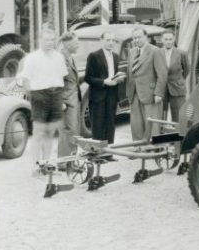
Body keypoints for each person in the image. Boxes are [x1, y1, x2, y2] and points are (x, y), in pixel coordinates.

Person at [16, 29, 69, 175]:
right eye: (47, 40)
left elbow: (62, 78)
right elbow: (25, 81)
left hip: (56, 94)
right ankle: (35, 166)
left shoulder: (59, 57)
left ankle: (45, 165)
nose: (50, 43)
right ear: (40, 40)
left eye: (52, 40)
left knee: (50, 132)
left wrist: (60, 98)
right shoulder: (32, 58)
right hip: (39, 95)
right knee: (39, 132)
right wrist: (34, 96)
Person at [126, 27, 167, 141]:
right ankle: (138, 146)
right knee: (136, 122)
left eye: (139, 37)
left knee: (152, 122)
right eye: (134, 38)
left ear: (146, 37)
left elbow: (162, 74)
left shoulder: (156, 51)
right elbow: (131, 73)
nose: (136, 40)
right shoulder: (132, 51)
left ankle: (154, 148)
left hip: (151, 93)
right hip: (134, 93)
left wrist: (158, 93)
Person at [84, 32, 122, 143]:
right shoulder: (94, 56)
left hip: (112, 94)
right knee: (98, 125)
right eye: (108, 40)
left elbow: (114, 73)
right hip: (98, 96)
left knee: (110, 124)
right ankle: (99, 155)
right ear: (101, 40)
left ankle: (109, 152)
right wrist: (104, 82)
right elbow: (88, 78)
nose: (110, 43)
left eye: (112, 40)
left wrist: (118, 79)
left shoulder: (115, 56)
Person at [58, 32, 82, 163]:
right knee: (68, 131)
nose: (78, 45)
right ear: (67, 44)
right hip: (66, 101)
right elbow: (55, 81)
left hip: (73, 100)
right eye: (76, 43)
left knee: (73, 131)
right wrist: (60, 101)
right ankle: (64, 162)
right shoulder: (60, 58)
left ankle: (70, 160)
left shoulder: (69, 57)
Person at [160, 30, 189, 122]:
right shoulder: (157, 53)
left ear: (174, 40)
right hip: (162, 88)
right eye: (166, 39)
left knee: (178, 115)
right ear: (162, 40)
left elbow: (186, 70)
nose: (168, 41)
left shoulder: (181, 53)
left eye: (170, 39)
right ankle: (162, 133)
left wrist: (178, 80)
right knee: (161, 114)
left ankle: (178, 134)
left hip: (177, 87)